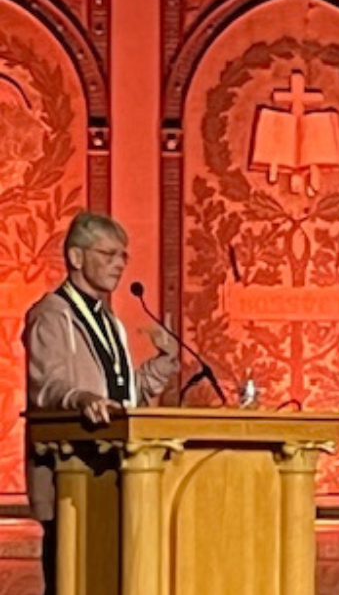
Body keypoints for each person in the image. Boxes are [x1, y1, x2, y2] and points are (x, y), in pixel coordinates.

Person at [23, 211, 180, 595]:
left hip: (115, 468)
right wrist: (81, 399)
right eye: (108, 254)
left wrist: (164, 363)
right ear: (76, 258)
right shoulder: (51, 315)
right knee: (72, 580)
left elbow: (124, 397)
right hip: (72, 472)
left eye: (123, 256)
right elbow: (49, 386)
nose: (119, 265)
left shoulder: (109, 320)